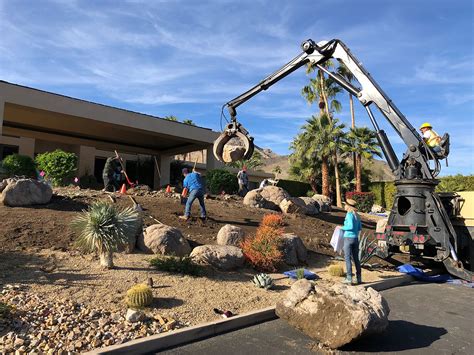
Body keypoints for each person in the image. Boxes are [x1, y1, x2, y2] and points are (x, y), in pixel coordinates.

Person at [341, 198, 362, 285]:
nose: (344, 206)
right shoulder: (357, 215)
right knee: (356, 258)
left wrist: (341, 227)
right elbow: (359, 228)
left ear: (348, 206)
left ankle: (349, 278)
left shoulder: (349, 215)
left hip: (348, 238)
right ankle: (359, 278)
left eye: (345, 204)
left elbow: (350, 226)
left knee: (347, 258)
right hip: (355, 239)